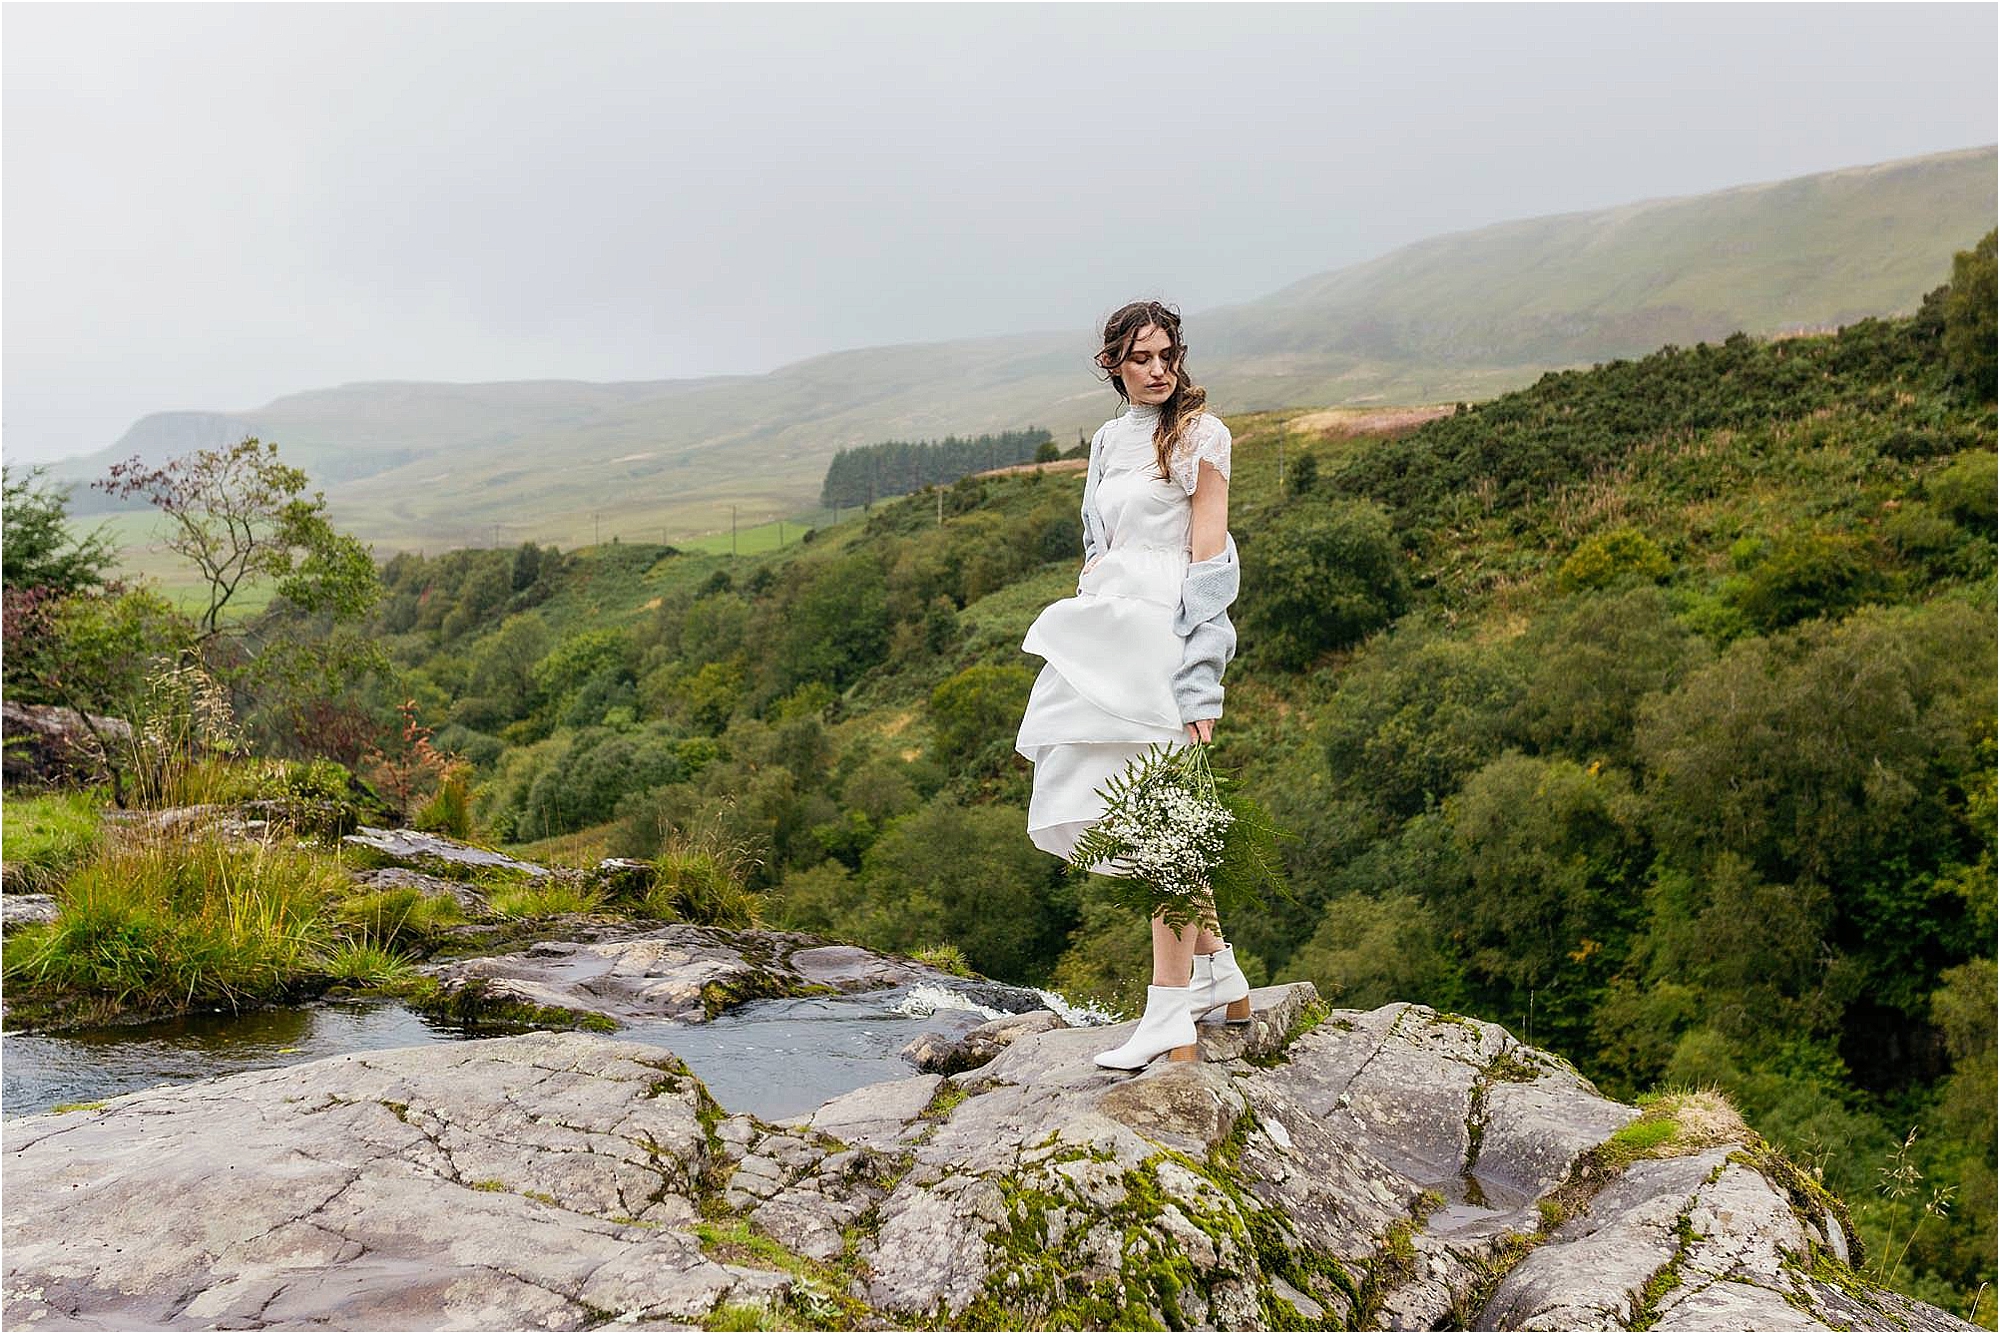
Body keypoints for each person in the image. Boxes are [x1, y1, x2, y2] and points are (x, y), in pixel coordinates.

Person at [1014, 300, 1250, 1071]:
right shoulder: (1108, 441)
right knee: (1134, 816)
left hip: (1165, 641)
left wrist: (1202, 685)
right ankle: (1220, 974)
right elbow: (1096, 538)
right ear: (1113, 364)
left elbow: (1210, 567)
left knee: (1163, 833)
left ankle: (1168, 1016)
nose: (1158, 370)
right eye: (1141, 357)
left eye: (1167, 354)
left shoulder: (1203, 436)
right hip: (1110, 633)